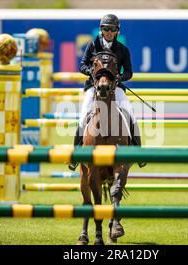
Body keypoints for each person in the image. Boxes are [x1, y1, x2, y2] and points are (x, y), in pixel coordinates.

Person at [68, 14, 146, 171]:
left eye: (112, 29)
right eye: (106, 29)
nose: (109, 32)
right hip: (94, 86)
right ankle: (76, 155)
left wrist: (120, 77)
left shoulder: (123, 50)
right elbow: (82, 65)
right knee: (83, 116)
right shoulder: (93, 45)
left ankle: (138, 151)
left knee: (130, 114)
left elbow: (129, 72)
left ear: (117, 31)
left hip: (115, 87)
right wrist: (91, 71)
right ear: (101, 30)